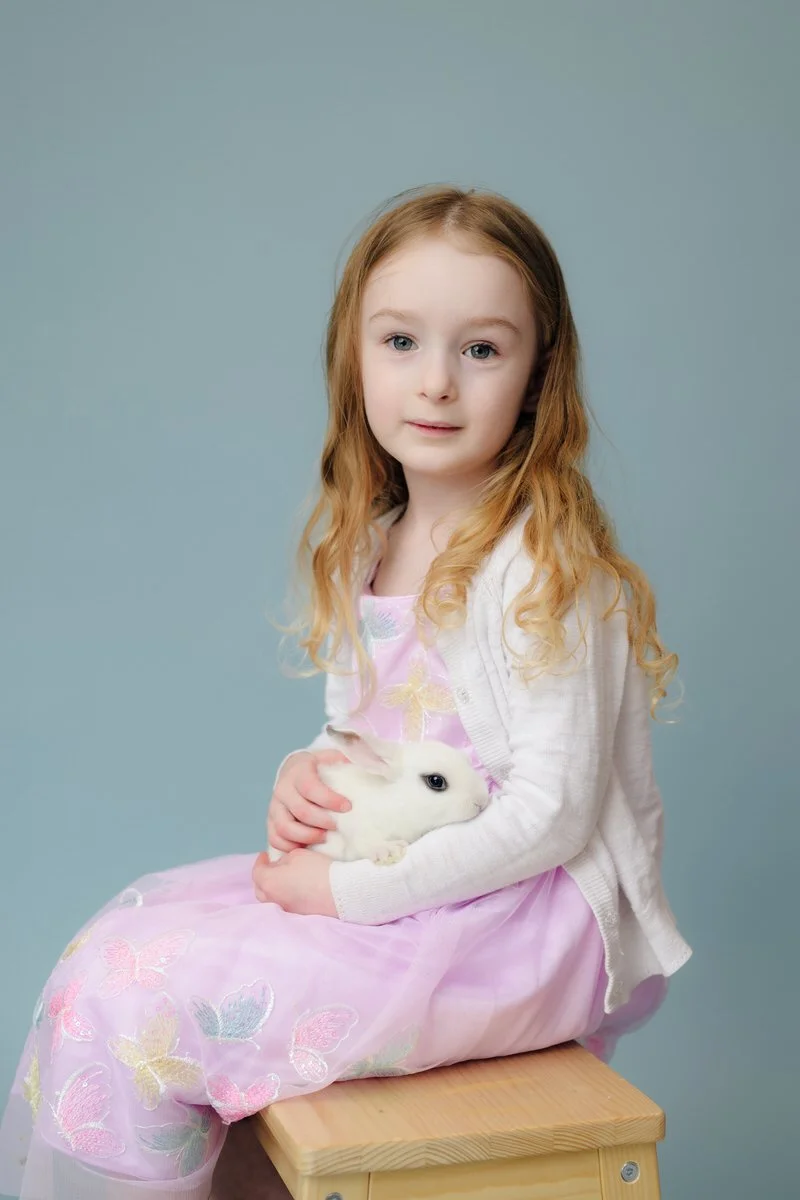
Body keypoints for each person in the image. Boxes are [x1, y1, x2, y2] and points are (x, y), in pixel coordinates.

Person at [0, 185, 692, 1200]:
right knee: (115, 946)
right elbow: (356, 736)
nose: (437, 385)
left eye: (482, 350)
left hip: (515, 927)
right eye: (401, 341)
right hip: (402, 891)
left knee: (149, 999)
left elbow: (551, 813)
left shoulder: (539, 565)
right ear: (353, 359)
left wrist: (347, 895)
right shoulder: (374, 538)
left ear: (539, 375)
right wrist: (305, 776)